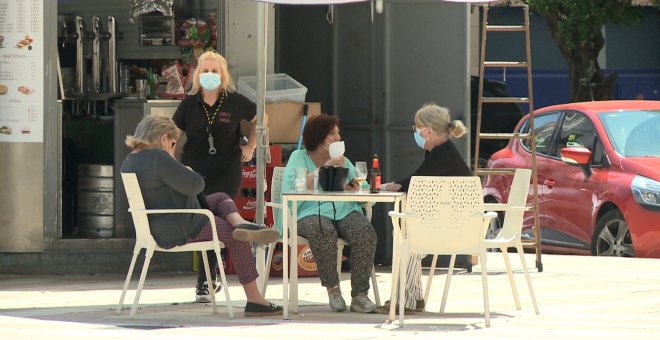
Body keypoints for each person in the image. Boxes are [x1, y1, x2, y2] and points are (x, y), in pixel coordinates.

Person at [120, 114, 282, 316]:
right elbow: (196, 184)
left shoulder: (130, 160)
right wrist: (175, 161)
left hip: (158, 223)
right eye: (172, 143)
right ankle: (255, 300)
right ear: (163, 138)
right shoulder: (157, 157)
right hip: (179, 224)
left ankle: (239, 222)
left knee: (220, 197)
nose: (173, 147)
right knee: (234, 237)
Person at [172, 50, 268, 303]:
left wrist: (251, 147)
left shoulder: (234, 100)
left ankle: (206, 279)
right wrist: (170, 163)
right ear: (197, 75)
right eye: (205, 71)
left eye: (215, 71)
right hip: (194, 171)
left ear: (223, 75)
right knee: (205, 218)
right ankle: (211, 274)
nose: (210, 75)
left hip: (227, 169)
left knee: (218, 214)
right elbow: (173, 135)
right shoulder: (189, 103)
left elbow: (262, 117)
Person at [375, 103, 471, 315]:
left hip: (453, 226)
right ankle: (414, 298)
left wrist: (380, 187)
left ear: (427, 130)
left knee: (408, 239)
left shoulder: (441, 154)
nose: (415, 132)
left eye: (416, 127)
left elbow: (412, 184)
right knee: (405, 231)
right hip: (461, 223)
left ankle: (406, 301)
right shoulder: (442, 152)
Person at [281, 114, 378, 313]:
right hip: (309, 212)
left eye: (338, 133)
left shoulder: (344, 160)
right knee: (322, 230)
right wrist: (325, 168)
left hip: (344, 210)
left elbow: (365, 188)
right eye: (332, 133)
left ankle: (360, 295)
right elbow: (293, 187)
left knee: (364, 231)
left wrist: (354, 187)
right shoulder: (298, 157)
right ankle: (333, 290)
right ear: (318, 136)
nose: (337, 137)